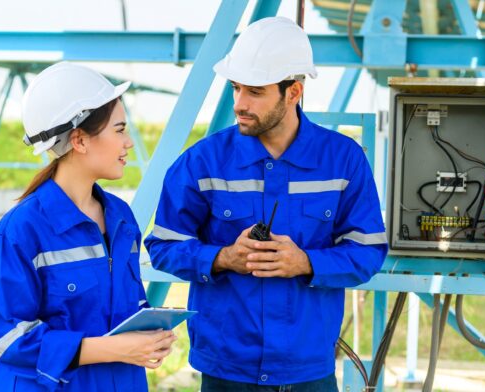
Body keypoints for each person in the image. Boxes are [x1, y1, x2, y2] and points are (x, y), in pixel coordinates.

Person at [145, 17, 387, 391]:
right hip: (227, 371)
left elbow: (368, 252)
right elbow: (163, 246)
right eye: (236, 88)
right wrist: (223, 257)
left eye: (255, 91)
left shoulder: (343, 160)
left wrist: (306, 262)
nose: (239, 104)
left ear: (293, 92)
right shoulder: (202, 162)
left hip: (308, 370)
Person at [0, 62, 177, 391]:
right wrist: (117, 348)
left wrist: (151, 330)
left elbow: (131, 302)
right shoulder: (20, 231)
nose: (129, 142)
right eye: (119, 130)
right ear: (80, 140)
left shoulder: (120, 216)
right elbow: (9, 339)